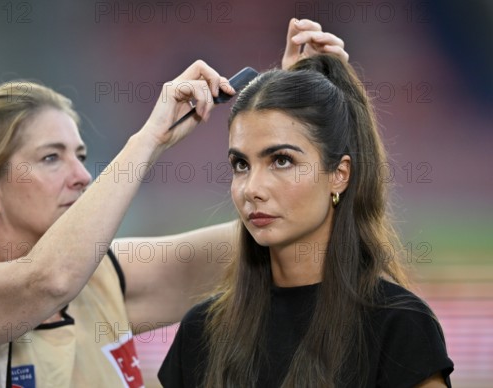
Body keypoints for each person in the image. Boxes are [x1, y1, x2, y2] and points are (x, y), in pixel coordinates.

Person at [0, 19, 348, 387]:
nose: (80, 176)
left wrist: (298, 111)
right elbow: (47, 281)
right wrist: (151, 138)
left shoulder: (106, 277)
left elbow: (286, 235)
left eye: (80, 156)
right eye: (51, 158)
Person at [158, 55, 454, 387]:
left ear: (339, 175)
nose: (252, 189)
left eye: (281, 160)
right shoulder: (201, 332)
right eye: (241, 164)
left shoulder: (399, 325)